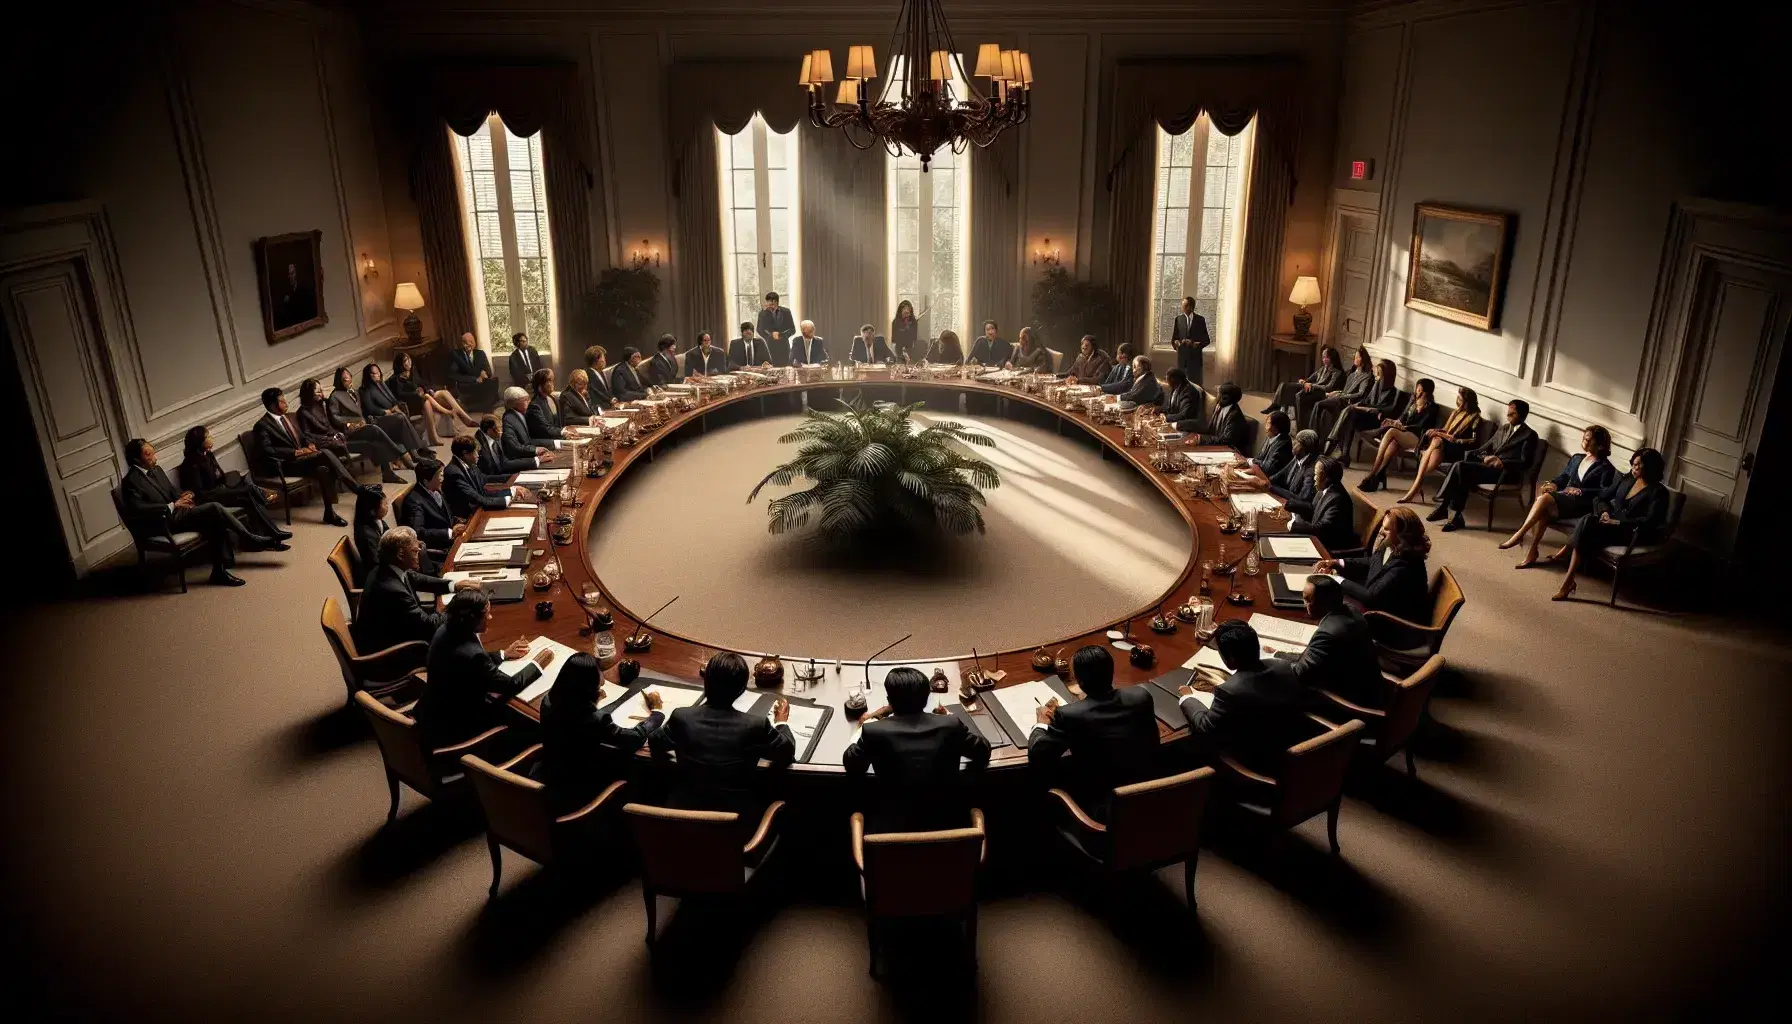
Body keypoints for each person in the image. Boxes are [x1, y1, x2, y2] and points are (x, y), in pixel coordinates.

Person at [843, 666, 992, 834]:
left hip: (892, 839)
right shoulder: (950, 725)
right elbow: (983, 750)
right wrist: (949, 719)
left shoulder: (874, 731)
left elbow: (852, 763)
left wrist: (871, 722)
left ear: (889, 701)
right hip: (951, 836)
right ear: (926, 698)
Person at [648, 652, 795, 817]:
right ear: (742, 689)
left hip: (680, 825)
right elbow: (787, 751)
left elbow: (654, 740)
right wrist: (781, 722)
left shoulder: (682, 717)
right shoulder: (755, 725)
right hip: (734, 830)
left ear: (706, 681)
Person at [1028, 645, 1160, 823]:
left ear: (1079, 681)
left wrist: (1041, 724)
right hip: (1152, 800)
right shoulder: (1141, 696)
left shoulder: (1069, 714)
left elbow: (1038, 754)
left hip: (1106, 815)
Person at [120, 438, 277, 586]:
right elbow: (138, 509)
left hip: (179, 514)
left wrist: (184, 495)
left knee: (215, 520)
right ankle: (249, 537)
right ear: (136, 459)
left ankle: (219, 571)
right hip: (162, 522)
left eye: (153, 452)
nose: (155, 457)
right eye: (149, 454)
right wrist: (172, 505)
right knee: (214, 507)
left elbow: (171, 492)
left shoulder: (157, 470)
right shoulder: (131, 481)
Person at [416, 590, 551, 750]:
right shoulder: (473, 654)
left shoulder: (447, 630)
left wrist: (503, 654)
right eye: (487, 614)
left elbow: (467, 662)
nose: (490, 618)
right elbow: (510, 685)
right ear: (472, 619)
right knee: (534, 725)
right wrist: (537, 664)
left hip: (434, 711)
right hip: (459, 725)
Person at [533, 653, 664, 814]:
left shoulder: (548, 700)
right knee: (638, 770)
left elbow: (572, 714)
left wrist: (592, 699)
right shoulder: (594, 719)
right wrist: (657, 713)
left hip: (551, 769)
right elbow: (634, 738)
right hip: (579, 785)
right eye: (599, 672)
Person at [1544, 448, 1672, 602]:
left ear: (1650, 467)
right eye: (1633, 464)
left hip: (1632, 532)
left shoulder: (1659, 492)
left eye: (1639, 465)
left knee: (1587, 524)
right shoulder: (1627, 479)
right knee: (1588, 521)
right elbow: (1601, 498)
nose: (1634, 468)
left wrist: (1617, 522)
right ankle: (1569, 580)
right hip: (1611, 525)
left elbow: (1651, 522)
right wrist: (1604, 512)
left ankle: (1567, 565)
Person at [1179, 620, 1306, 772]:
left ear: (1231, 659)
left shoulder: (1229, 691)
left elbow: (1205, 728)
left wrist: (1188, 698)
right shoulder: (1283, 665)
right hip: (1294, 749)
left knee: (1188, 746)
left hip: (1255, 764)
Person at [1503, 425, 1618, 566]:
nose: (1584, 442)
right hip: (1565, 499)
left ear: (1600, 446)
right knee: (1544, 506)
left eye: (1589, 440)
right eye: (1584, 438)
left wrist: (1581, 491)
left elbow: (1604, 492)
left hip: (1582, 504)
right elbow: (1563, 477)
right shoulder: (1577, 458)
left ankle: (1520, 534)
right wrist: (1553, 485)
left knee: (1544, 499)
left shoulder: (1606, 468)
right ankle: (1532, 552)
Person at [353, 526, 474, 655]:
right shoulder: (393, 590)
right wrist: (458, 605)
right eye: (415, 551)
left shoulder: (387, 568)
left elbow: (417, 578)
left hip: (399, 629)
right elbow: (430, 627)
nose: (419, 554)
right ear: (401, 555)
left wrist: (454, 586)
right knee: (463, 642)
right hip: (391, 654)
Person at [1428, 399, 1539, 532]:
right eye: (1508, 413)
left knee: (1461, 468)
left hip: (1506, 473)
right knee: (1461, 470)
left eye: (1512, 414)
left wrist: (1502, 462)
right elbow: (1485, 447)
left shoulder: (1530, 435)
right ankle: (1455, 516)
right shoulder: (1504, 428)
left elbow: (1526, 463)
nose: (1508, 416)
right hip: (1489, 468)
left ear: (1522, 416)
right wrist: (1477, 455)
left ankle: (1444, 507)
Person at [252, 387, 357, 526]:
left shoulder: (289, 418)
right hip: (285, 465)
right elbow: (267, 451)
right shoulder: (262, 426)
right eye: (282, 401)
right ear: (272, 405)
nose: (286, 403)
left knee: (323, 469)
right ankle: (356, 488)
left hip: (302, 461)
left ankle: (329, 514)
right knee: (325, 453)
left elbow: (303, 438)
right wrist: (296, 452)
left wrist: (310, 445)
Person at [1315, 505, 1432, 623]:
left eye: (1387, 529)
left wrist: (1335, 579)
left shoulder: (1405, 565)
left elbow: (1371, 597)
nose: (1381, 531)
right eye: (1382, 526)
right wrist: (1338, 563)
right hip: (1378, 604)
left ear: (1402, 536)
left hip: (1393, 624)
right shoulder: (1392, 544)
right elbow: (1373, 562)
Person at [177, 425, 290, 542]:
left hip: (221, 491)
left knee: (249, 498)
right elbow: (199, 492)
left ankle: (270, 537)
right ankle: (265, 499)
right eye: (208, 436)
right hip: (210, 498)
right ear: (200, 441)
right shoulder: (191, 463)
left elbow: (219, 476)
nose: (211, 438)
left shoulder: (208, 455)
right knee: (249, 491)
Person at [1291, 575, 1385, 709]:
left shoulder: (1328, 634)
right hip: (1370, 687)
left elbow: (1298, 674)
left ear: (1323, 603)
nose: (1304, 603)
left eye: (1307, 599)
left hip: (1346, 704)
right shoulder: (1352, 610)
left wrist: (1273, 659)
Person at [1396, 387, 1482, 504]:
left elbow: (1473, 440)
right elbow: (1445, 430)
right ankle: (1416, 487)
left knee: (1437, 441)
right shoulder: (1456, 413)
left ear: (1467, 402)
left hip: (1460, 449)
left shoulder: (1476, 417)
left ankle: (1416, 486)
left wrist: (1457, 440)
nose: (1458, 401)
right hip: (1446, 444)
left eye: (1461, 400)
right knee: (1437, 441)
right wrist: (1435, 430)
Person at [320, 371, 408, 483]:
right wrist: (350, 424)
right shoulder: (335, 396)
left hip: (362, 426)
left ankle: (388, 474)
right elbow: (335, 417)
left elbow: (361, 411)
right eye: (345, 378)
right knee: (374, 429)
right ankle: (400, 453)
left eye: (349, 377)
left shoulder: (354, 392)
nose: (348, 380)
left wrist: (364, 420)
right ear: (340, 380)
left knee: (377, 440)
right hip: (349, 433)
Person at [1359, 377, 1442, 492]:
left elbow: (1423, 427)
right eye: (1417, 389)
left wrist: (1404, 427)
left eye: (1419, 390)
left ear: (1426, 392)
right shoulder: (1413, 403)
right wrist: (1394, 422)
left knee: (1392, 432)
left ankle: (1372, 473)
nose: (1417, 391)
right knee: (1393, 443)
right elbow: (1402, 419)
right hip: (1404, 434)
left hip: (1418, 438)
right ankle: (1380, 474)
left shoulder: (1433, 407)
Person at [1324, 358, 1404, 463]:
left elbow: (1387, 411)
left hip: (1378, 422)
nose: (1376, 376)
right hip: (1366, 417)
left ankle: (1332, 444)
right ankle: (1343, 453)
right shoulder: (1377, 385)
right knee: (1349, 413)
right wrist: (1357, 405)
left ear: (1387, 374)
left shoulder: (1397, 393)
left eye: (1379, 374)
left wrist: (1363, 408)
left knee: (1350, 412)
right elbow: (1366, 400)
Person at [391, 351, 478, 445]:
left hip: (422, 396)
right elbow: (400, 394)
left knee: (443, 393)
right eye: (405, 361)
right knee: (427, 401)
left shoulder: (412, 370)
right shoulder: (396, 378)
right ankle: (433, 438)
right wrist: (415, 394)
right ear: (400, 364)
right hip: (412, 403)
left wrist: (429, 390)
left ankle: (466, 419)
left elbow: (422, 382)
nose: (408, 363)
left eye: (409, 359)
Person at [445, 435, 532, 517]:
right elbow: (477, 498)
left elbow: (484, 478)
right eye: (475, 451)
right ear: (465, 453)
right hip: (468, 518)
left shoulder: (468, 463)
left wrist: (511, 478)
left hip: (479, 508)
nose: (478, 455)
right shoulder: (454, 473)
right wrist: (511, 495)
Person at [400, 459, 461, 570]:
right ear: (426, 481)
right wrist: (449, 533)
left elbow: (446, 517)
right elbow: (417, 533)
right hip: (436, 555)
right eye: (439, 476)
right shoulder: (414, 501)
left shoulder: (436, 490)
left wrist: (458, 523)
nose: (442, 479)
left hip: (451, 544)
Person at [1288, 456, 1357, 553]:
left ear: (1327, 478)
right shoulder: (1327, 487)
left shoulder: (1337, 500)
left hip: (1329, 549)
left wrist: (1294, 525)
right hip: (1319, 538)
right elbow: (1313, 509)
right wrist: (1288, 506)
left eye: (1316, 475)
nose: (1314, 478)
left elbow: (1321, 529)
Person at [359, 363, 430, 455]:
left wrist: (396, 406)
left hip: (392, 413)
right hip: (380, 418)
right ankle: (419, 448)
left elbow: (393, 399)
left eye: (378, 372)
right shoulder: (366, 390)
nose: (377, 375)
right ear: (369, 375)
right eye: (374, 373)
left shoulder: (382, 384)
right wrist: (386, 411)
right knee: (401, 417)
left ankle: (417, 450)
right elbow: (370, 408)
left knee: (402, 417)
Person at [1308, 347, 1376, 437]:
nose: (1355, 358)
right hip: (1340, 398)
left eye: (1358, 357)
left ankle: (1311, 436)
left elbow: (1361, 393)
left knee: (1319, 404)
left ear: (1363, 359)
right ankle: (1315, 435)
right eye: (1355, 356)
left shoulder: (1366, 376)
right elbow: (1344, 390)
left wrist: (1341, 396)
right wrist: (1336, 392)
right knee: (1320, 404)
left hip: (1347, 402)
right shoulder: (1352, 374)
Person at [1264, 345, 1344, 420]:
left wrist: (1312, 385)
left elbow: (1328, 387)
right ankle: (1277, 408)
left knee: (1287, 387)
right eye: (1323, 357)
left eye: (1327, 357)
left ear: (1332, 358)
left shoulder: (1336, 372)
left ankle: (1275, 406)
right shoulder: (1322, 369)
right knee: (1284, 385)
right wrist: (1303, 381)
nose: (1324, 359)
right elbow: (1308, 380)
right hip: (1309, 388)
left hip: (1318, 392)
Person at [477, 415, 547, 477]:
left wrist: (536, 460)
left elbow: (506, 463)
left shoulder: (495, 438)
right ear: (489, 430)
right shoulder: (479, 446)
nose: (502, 431)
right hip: (493, 481)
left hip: (505, 474)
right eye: (499, 428)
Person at [1270, 430, 1321, 513]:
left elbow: (1302, 500)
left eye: (1296, 442)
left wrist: (1270, 487)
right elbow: (1278, 476)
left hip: (1297, 511)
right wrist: (1265, 482)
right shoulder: (1297, 457)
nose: (1293, 443)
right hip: (1286, 502)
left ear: (1304, 448)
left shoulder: (1312, 470)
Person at [351, 485, 393, 583]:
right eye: (384, 504)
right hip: (378, 580)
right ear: (372, 510)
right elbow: (375, 565)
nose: (387, 506)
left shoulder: (377, 521)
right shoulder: (367, 536)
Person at [447, 332, 500, 410]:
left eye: (471, 341)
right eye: (465, 342)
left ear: (474, 343)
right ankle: (489, 404)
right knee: (490, 392)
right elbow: (453, 375)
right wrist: (474, 379)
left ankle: (484, 405)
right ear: (461, 343)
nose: (468, 344)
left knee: (493, 381)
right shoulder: (456, 355)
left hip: (481, 382)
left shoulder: (480, 353)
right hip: (467, 384)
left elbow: (488, 371)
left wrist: (485, 373)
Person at [501, 387, 556, 457]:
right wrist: (535, 450)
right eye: (525, 400)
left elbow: (528, 441)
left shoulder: (519, 415)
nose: (529, 402)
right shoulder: (509, 419)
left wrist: (554, 443)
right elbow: (513, 447)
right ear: (514, 403)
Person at [1195, 381, 1250, 449]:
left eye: (1218, 394)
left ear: (1225, 398)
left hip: (1231, 451)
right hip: (1215, 446)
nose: (1216, 396)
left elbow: (1227, 440)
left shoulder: (1235, 416)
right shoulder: (1219, 407)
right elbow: (1211, 429)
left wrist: (1201, 440)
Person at [1171, 295, 1212, 386]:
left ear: (1190, 307)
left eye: (1183, 305)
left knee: (1195, 385)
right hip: (1182, 358)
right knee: (1181, 384)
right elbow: (1174, 338)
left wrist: (1195, 344)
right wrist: (1176, 343)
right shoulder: (1178, 319)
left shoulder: (1200, 320)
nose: (1181, 307)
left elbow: (1207, 340)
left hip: (1195, 359)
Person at [525, 369, 566, 443]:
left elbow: (560, 423)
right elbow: (546, 430)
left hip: (559, 439)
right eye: (549, 381)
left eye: (552, 380)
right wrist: (563, 432)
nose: (552, 383)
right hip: (547, 444)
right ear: (540, 385)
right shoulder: (535, 406)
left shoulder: (553, 398)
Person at [756, 292, 797, 365]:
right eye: (767, 301)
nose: (768, 303)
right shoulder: (762, 314)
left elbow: (792, 329)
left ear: (776, 302)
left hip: (784, 346)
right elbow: (759, 329)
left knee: (785, 369)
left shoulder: (786, 312)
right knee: (771, 371)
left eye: (771, 301)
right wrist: (770, 336)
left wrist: (781, 335)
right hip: (769, 346)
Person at [1252, 410, 1294, 479]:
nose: (1265, 427)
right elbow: (1259, 457)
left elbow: (1268, 469)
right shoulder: (1271, 437)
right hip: (1261, 475)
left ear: (1275, 428)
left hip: (1272, 483)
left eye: (1268, 423)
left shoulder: (1284, 443)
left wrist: (1252, 461)